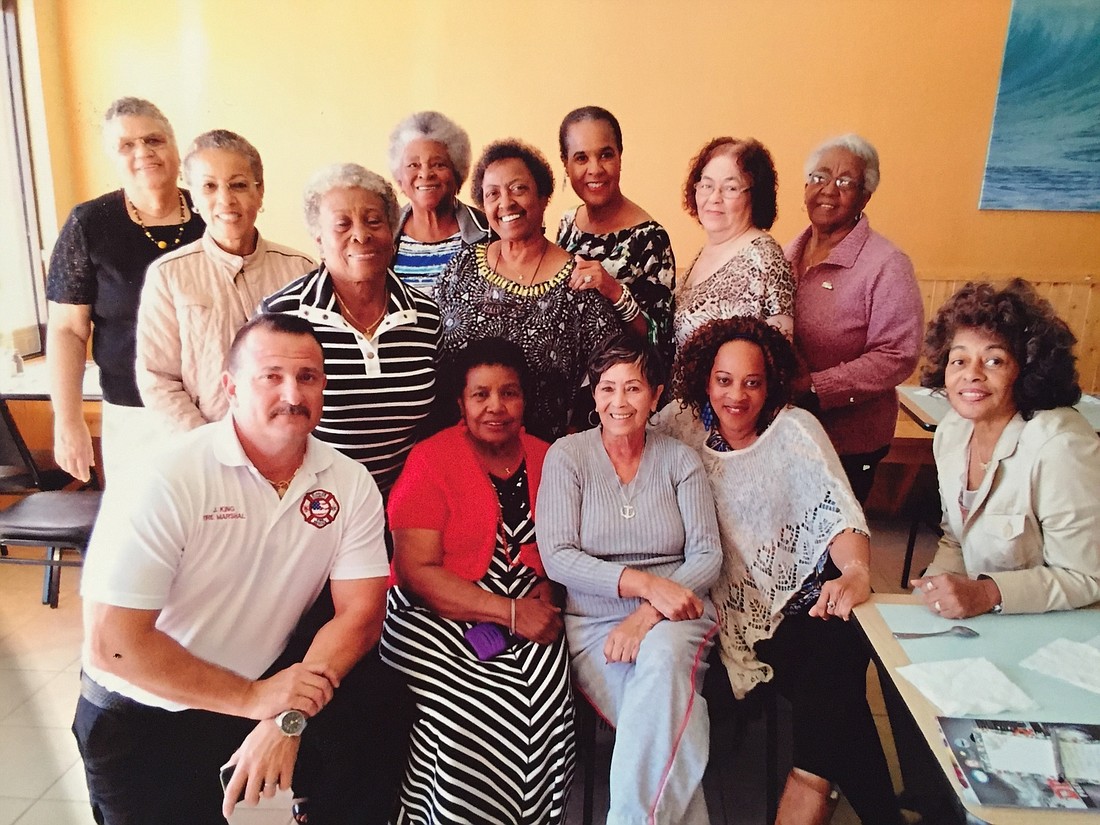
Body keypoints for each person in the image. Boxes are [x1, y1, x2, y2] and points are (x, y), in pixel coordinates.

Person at [73, 314, 390, 825]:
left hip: (256, 712)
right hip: (143, 720)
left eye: (308, 377)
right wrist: (253, 698)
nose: (292, 392)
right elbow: (114, 645)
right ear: (231, 387)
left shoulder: (349, 483)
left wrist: (284, 718)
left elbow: (361, 615)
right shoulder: (167, 476)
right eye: (271, 376)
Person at [657, 317, 903, 825]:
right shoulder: (681, 426)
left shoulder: (794, 429)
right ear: (705, 378)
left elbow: (840, 514)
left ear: (770, 383)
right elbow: (628, 432)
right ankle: (867, 807)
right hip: (734, 609)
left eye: (752, 382)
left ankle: (812, 785)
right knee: (839, 699)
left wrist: (856, 570)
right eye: (724, 380)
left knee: (834, 651)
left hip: (814, 594)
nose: (737, 396)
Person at [380, 338, 575, 824]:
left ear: (525, 400)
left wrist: (544, 592)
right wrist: (508, 612)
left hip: (528, 604)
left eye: (508, 393)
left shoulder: (551, 458)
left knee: (548, 705)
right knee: (475, 709)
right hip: (428, 611)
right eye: (480, 395)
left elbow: (564, 549)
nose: (496, 407)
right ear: (460, 403)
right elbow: (416, 571)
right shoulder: (431, 459)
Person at [539, 334, 721, 824]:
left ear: (656, 394)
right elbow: (557, 556)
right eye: (607, 388)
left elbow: (707, 554)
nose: (619, 402)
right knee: (663, 731)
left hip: (677, 617)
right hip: (595, 627)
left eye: (634, 388)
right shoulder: (567, 456)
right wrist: (644, 586)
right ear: (594, 394)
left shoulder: (680, 458)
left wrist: (648, 613)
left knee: (660, 675)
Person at [913, 279, 1100, 617]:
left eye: (994, 361)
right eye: (959, 361)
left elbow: (1086, 577)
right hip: (989, 622)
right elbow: (955, 540)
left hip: (1061, 629)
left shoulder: (1061, 446)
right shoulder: (952, 433)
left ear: (1026, 369)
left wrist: (987, 593)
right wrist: (927, 599)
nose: (972, 374)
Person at [46, 97, 205, 484]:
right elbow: (68, 330)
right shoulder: (89, 224)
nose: (143, 153)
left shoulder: (210, 212)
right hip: (133, 416)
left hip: (210, 414)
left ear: (174, 147)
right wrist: (68, 422)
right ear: (113, 158)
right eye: (127, 145)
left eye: (154, 140)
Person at [262, 162, 441, 496]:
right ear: (318, 238)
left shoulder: (426, 316)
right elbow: (264, 426)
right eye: (342, 225)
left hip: (406, 505)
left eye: (374, 221)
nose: (361, 234)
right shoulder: (281, 316)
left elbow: (436, 420)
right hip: (314, 506)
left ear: (392, 230)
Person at [435, 139, 621, 441]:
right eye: (492, 194)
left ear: (544, 195)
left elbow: (608, 380)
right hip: (462, 455)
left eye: (518, 189)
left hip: (545, 460)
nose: (505, 203)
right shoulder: (463, 266)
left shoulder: (579, 282)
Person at [136, 129, 314, 432]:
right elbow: (158, 378)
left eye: (239, 185)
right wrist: (207, 445)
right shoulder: (169, 275)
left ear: (259, 192)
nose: (226, 200)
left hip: (289, 443)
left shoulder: (301, 269)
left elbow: (317, 366)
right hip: (202, 447)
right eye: (209, 186)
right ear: (193, 197)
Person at [786, 134, 924, 502]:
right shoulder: (786, 254)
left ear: (865, 196)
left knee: (833, 549)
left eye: (845, 181)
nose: (829, 189)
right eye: (820, 177)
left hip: (848, 442)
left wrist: (815, 387)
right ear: (805, 188)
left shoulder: (886, 264)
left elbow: (897, 355)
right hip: (786, 432)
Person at [556, 106, 676, 366]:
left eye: (605, 155)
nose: (595, 169)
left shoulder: (649, 238)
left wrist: (613, 291)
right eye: (581, 158)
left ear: (620, 157)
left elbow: (661, 342)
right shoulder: (567, 224)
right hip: (570, 385)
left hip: (622, 393)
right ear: (565, 164)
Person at [673, 137, 793, 351]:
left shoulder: (765, 258)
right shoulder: (707, 251)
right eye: (707, 185)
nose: (714, 197)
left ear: (754, 196)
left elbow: (780, 357)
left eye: (730, 188)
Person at [388, 110, 491, 296]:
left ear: (457, 171)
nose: (426, 174)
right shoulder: (385, 235)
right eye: (414, 165)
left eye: (438, 164)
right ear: (400, 176)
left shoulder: (489, 232)